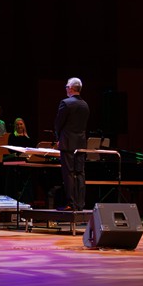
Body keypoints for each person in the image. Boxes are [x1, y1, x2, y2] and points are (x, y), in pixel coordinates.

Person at [54, 77, 90, 211]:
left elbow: (58, 124)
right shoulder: (85, 105)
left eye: (66, 87)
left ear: (71, 88)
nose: (66, 89)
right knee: (80, 173)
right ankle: (80, 204)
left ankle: (71, 203)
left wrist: (58, 137)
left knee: (68, 173)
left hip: (68, 142)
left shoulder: (66, 103)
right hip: (81, 143)